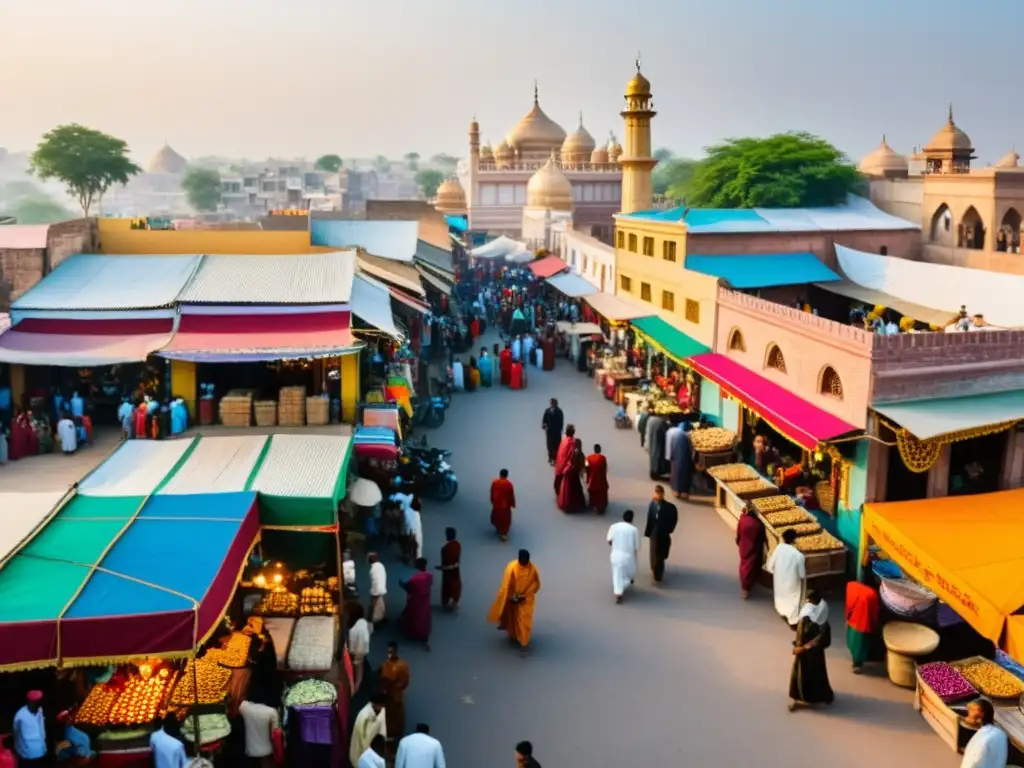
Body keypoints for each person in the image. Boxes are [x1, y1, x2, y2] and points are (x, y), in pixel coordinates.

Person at [487, 549, 542, 655]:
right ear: (519, 559)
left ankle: (524, 643)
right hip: (513, 598)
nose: (525, 563)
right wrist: (512, 597)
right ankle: (513, 636)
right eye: (523, 560)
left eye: (527, 561)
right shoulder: (511, 567)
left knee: (525, 621)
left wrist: (525, 595)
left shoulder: (533, 569)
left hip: (526, 600)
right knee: (512, 618)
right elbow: (507, 584)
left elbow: (536, 584)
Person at [789, 591, 834, 711]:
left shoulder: (820, 621)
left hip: (811, 654)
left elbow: (819, 639)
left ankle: (818, 696)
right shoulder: (807, 616)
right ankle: (796, 698)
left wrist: (802, 648)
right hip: (806, 652)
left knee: (806, 675)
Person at [766, 528, 807, 627]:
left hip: (779, 581)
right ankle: (793, 622)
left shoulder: (778, 548)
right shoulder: (799, 556)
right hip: (792, 584)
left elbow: (770, 567)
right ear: (795, 540)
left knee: (781, 597)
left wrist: (778, 573)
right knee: (793, 601)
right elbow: (802, 575)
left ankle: (782, 612)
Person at [845, 570, 880, 674]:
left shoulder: (851, 587)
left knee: (854, 642)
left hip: (853, 620)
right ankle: (858, 664)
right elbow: (874, 612)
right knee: (861, 644)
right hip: (865, 623)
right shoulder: (872, 594)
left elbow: (849, 604)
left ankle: (856, 662)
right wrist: (874, 623)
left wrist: (847, 616)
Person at [644, 485, 678, 585]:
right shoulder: (652, 505)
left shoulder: (670, 508)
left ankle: (658, 573)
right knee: (654, 553)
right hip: (654, 534)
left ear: (663, 494)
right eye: (656, 492)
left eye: (660, 493)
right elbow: (650, 519)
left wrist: (669, 529)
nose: (658, 495)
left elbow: (673, 520)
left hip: (663, 533)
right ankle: (655, 571)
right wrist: (648, 532)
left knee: (661, 554)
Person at [961, 699, 1009, 768]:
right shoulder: (1000, 734)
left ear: (979, 719)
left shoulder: (981, 740)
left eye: (971, 710)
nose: (967, 718)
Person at [399, 558, 433, 651]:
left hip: (415, 601)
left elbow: (407, 587)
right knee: (424, 616)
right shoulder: (429, 576)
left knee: (413, 615)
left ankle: (412, 633)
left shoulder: (415, 579)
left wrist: (401, 583)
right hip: (425, 601)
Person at [238, 693, 280, 768]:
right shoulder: (272, 711)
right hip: (267, 750)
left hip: (250, 750)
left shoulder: (245, 708)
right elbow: (275, 734)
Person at [607, 510, 641, 603]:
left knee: (617, 574)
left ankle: (618, 592)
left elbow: (609, 540)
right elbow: (636, 547)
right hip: (627, 557)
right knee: (628, 574)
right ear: (632, 519)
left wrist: (615, 545)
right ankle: (620, 590)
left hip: (615, 555)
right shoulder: (634, 530)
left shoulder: (613, 527)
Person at [379, 643, 411, 740]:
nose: (389, 654)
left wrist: (394, 686)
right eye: (388, 652)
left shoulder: (402, 665)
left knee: (397, 715)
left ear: (396, 652)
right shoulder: (385, 664)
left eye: (391, 652)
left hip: (395, 695)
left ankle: (397, 733)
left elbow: (405, 681)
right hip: (386, 695)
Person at [735, 503, 766, 599]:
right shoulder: (758, 524)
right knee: (750, 566)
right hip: (754, 547)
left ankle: (745, 585)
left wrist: (738, 541)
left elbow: (738, 533)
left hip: (744, 546)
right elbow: (762, 537)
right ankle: (746, 587)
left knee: (744, 565)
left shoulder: (743, 519)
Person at [350, 693, 389, 767]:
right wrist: (367, 752)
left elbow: (382, 729)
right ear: (374, 704)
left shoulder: (382, 710)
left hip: (374, 745)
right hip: (361, 747)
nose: (381, 708)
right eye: (380, 706)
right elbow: (360, 737)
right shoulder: (363, 715)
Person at [13, 691, 47, 766]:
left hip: (40, 753)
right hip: (27, 757)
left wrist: (44, 747)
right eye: (37, 703)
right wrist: (20, 754)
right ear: (30, 702)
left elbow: (41, 729)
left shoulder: (40, 710)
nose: (39, 706)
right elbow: (17, 737)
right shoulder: (20, 716)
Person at [347, 603, 373, 693]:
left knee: (358, 670)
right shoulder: (361, 623)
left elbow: (361, 646)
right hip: (354, 650)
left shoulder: (359, 627)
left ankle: (356, 688)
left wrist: (357, 659)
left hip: (356, 652)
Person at [557, 438, 586, 513]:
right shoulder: (580, 454)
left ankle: (568, 505)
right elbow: (582, 465)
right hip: (574, 474)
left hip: (569, 473)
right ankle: (576, 506)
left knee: (568, 490)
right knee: (575, 489)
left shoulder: (571, 452)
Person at [437, 527, 462, 611]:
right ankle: (453, 600)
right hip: (456, 569)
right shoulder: (458, 545)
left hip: (447, 571)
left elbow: (446, 561)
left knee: (447, 586)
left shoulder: (445, 548)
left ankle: (448, 602)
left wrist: (441, 567)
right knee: (455, 585)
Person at [669, 422, 693, 500]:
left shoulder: (676, 434)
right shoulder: (686, 436)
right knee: (685, 475)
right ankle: (684, 493)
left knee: (676, 474)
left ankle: (677, 492)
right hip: (685, 459)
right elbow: (690, 449)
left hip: (677, 458)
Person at [490, 469, 516, 541]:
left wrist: (492, 500)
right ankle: (503, 533)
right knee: (505, 520)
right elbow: (511, 496)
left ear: (500, 474)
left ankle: (498, 529)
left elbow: (492, 493)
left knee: (497, 517)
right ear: (507, 475)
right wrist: (512, 504)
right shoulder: (509, 485)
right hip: (505, 506)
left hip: (497, 504)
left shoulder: (495, 483)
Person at [553, 424, 577, 496]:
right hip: (565, 466)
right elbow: (571, 455)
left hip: (559, 465)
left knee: (558, 481)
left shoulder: (563, 440)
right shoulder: (572, 442)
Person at [585, 444, 609, 515]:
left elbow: (586, 467)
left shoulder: (588, 458)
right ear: (600, 450)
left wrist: (588, 476)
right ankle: (601, 507)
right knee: (601, 492)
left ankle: (593, 504)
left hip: (592, 478)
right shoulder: (603, 458)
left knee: (593, 492)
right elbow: (605, 469)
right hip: (601, 478)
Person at [541, 399, 564, 465]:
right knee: (549, 445)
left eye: (553, 403)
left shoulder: (559, 411)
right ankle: (550, 458)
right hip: (549, 432)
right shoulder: (547, 411)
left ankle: (556, 458)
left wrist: (559, 429)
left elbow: (561, 422)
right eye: (551, 403)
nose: (552, 404)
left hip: (556, 432)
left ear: (556, 404)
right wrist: (544, 425)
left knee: (556, 446)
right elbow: (544, 420)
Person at [368, 552, 388, 624]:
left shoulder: (373, 569)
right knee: (383, 604)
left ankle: (372, 620)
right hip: (383, 588)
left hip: (376, 589)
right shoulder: (381, 565)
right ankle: (384, 617)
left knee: (374, 605)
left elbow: (375, 581)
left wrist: (373, 592)